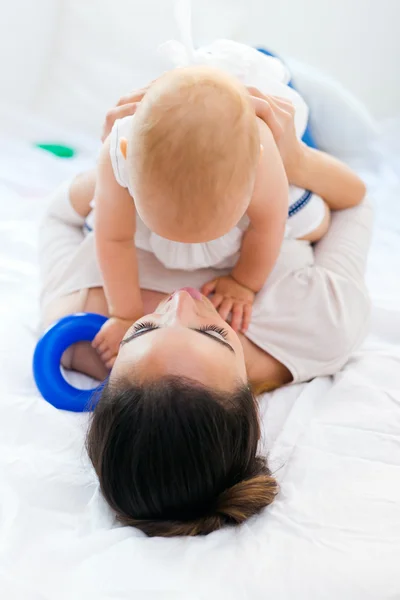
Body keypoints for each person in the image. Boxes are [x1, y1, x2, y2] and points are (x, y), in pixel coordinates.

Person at [38, 87, 372, 537]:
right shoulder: (321, 323)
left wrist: (113, 167)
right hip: (271, 133)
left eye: (140, 332)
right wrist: (294, 159)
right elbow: (355, 202)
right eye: (214, 334)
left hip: (159, 118)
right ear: (251, 402)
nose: (180, 303)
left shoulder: (77, 321)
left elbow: (59, 216)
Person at [81, 41, 366, 367]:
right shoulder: (119, 150)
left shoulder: (262, 151)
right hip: (183, 119)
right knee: (97, 215)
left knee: (316, 220)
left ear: (254, 165)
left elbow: (268, 225)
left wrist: (244, 283)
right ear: (127, 156)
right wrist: (124, 313)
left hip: (264, 113)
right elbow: (112, 238)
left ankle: (270, 61)